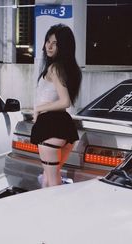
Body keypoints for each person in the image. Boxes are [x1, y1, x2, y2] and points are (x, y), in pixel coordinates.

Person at [30, 23, 82, 187]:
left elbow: (65, 101)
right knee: (49, 177)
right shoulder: (65, 68)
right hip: (63, 127)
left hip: (50, 127)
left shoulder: (54, 68)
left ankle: (53, 211)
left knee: (51, 182)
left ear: (64, 47)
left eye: (55, 43)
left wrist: (39, 108)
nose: (49, 46)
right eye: (48, 41)